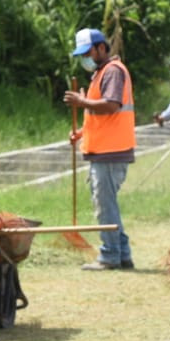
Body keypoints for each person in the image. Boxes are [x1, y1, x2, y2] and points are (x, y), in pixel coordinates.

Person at [63, 28, 135, 271]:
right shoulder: (101, 72)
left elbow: (112, 105)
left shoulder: (112, 71)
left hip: (111, 152)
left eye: (88, 52)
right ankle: (122, 254)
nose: (86, 58)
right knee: (108, 204)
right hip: (104, 149)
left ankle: (110, 255)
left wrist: (81, 102)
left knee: (104, 206)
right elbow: (100, 115)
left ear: (102, 48)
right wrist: (82, 133)